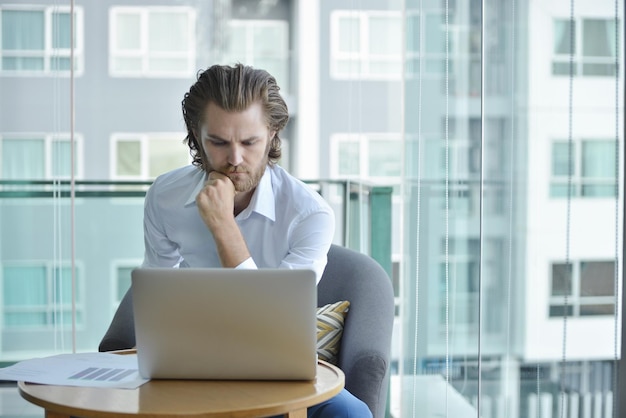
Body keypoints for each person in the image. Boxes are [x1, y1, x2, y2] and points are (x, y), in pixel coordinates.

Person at [141, 63, 373, 418]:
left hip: (277, 372)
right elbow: (155, 294)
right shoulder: (164, 197)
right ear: (195, 135)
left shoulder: (310, 214)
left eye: (250, 142)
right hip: (191, 367)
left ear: (273, 134)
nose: (235, 160)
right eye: (218, 142)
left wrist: (223, 227)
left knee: (352, 415)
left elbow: (274, 329)